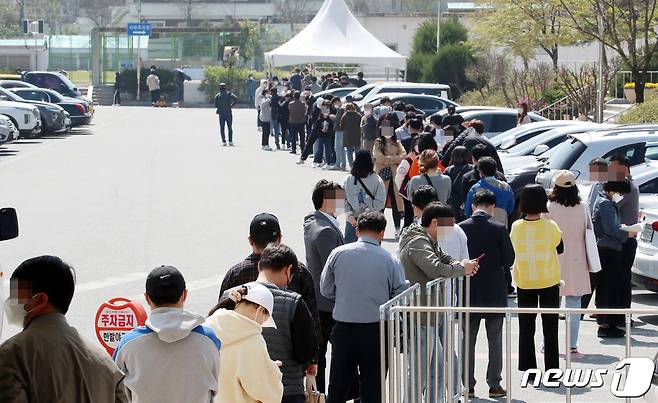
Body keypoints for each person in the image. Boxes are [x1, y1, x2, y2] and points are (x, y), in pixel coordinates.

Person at [0, 256, 128, 403]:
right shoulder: (106, 363)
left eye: (16, 295)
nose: (10, 301)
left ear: (40, 300)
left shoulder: (12, 354)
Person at [321, 212, 409, 403]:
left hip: (344, 328)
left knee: (337, 387)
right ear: (382, 232)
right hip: (376, 331)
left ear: (357, 229)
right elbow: (400, 296)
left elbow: (325, 289)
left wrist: (346, 297)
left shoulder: (338, 254)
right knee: (373, 389)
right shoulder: (390, 260)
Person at [398, 203, 478, 401]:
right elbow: (435, 268)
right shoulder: (418, 241)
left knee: (438, 371)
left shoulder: (425, 238)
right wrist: (462, 269)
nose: (450, 232)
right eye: (448, 226)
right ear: (434, 223)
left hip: (428, 317)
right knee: (420, 376)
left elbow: (444, 258)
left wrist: (462, 265)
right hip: (419, 318)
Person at [220, 245, 318, 403]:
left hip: (238, 392)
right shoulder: (294, 301)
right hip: (286, 391)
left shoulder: (231, 296)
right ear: (288, 270)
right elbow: (305, 353)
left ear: (259, 266)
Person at [113, 266, 221, 403]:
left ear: (147, 298)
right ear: (184, 294)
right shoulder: (209, 339)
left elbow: (114, 388)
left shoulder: (128, 343)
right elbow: (216, 385)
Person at [219, 213, 321, 342]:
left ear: (250, 240)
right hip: (290, 355)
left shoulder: (235, 274)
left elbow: (221, 319)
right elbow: (313, 323)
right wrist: (315, 358)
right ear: (279, 238)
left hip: (245, 352)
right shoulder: (298, 270)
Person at [459, 189, 514, 399]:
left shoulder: (460, 228)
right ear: (492, 208)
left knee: (467, 340)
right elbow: (509, 260)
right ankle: (494, 384)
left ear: (473, 206)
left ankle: (468, 386)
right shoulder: (499, 228)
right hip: (494, 290)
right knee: (495, 339)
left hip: (468, 290)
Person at [510, 185, 562, 373]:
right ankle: (552, 370)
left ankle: (528, 368)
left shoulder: (516, 226)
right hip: (548, 280)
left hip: (524, 280)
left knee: (526, 327)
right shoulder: (551, 226)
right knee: (550, 329)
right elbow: (560, 247)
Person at [205, 282, 284, 403]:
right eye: (265, 319)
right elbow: (270, 394)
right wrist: (273, 370)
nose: (262, 324)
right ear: (260, 309)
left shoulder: (208, 326)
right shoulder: (253, 341)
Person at [304, 180, 345, 393]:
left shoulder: (312, 221)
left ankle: (320, 394)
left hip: (318, 301)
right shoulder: (326, 230)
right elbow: (334, 270)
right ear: (328, 201)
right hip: (329, 301)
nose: (344, 202)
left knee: (320, 354)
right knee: (339, 354)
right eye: (340, 198)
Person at [543, 171, 591, 354]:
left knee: (552, 304)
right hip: (577, 260)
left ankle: (549, 344)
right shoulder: (583, 206)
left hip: (553, 258)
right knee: (574, 304)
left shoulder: (548, 207)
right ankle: (572, 343)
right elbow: (588, 230)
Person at [592, 180, 635, 338]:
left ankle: (607, 323)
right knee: (608, 288)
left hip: (607, 248)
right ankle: (606, 324)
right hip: (608, 249)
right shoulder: (606, 204)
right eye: (620, 192)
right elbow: (609, 229)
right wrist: (626, 233)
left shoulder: (604, 201)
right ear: (612, 190)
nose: (621, 196)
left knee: (607, 288)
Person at [609, 155, 639, 319]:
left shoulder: (627, 186)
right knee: (616, 278)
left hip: (625, 239)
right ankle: (614, 314)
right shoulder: (623, 184)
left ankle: (624, 316)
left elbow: (612, 203)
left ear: (624, 168)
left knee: (622, 279)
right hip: (620, 238)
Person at [373, 112, 407, 237]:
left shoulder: (397, 142)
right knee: (380, 202)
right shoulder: (378, 142)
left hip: (395, 176)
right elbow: (379, 158)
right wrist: (394, 159)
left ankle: (397, 229)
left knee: (396, 203)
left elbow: (404, 156)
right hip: (382, 176)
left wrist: (389, 159)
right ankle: (378, 229)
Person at [344, 150, 386, 243]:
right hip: (371, 223)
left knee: (349, 250)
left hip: (352, 222)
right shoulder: (377, 180)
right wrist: (367, 213)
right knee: (371, 252)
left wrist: (348, 214)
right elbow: (380, 202)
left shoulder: (348, 179)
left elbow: (341, 199)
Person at [464, 157, 515, 226]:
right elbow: (510, 207)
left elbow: (468, 210)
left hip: (479, 226)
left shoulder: (475, 189)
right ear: (496, 170)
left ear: (480, 172)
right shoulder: (506, 187)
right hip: (501, 224)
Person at [444, 146, 473, 222]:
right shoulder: (472, 169)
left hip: (452, 202)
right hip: (468, 201)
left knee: (448, 230)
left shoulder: (448, 170)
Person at [341, 103, 362, 169]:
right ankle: (358, 166)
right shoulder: (358, 115)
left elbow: (341, 126)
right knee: (357, 152)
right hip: (357, 135)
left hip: (348, 136)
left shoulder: (345, 115)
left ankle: (351, 167)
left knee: (349, 152)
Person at [332, 97, 346, 170]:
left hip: (339, 130)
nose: (334, 105)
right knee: (341, 148)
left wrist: (333, 118)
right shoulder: (343, 108)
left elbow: (339, 120)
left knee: (337, 147)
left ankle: (338, 164)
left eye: (334, 103)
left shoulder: (341, 109)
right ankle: (343, 164)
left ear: (338, 101)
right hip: (343, 130)